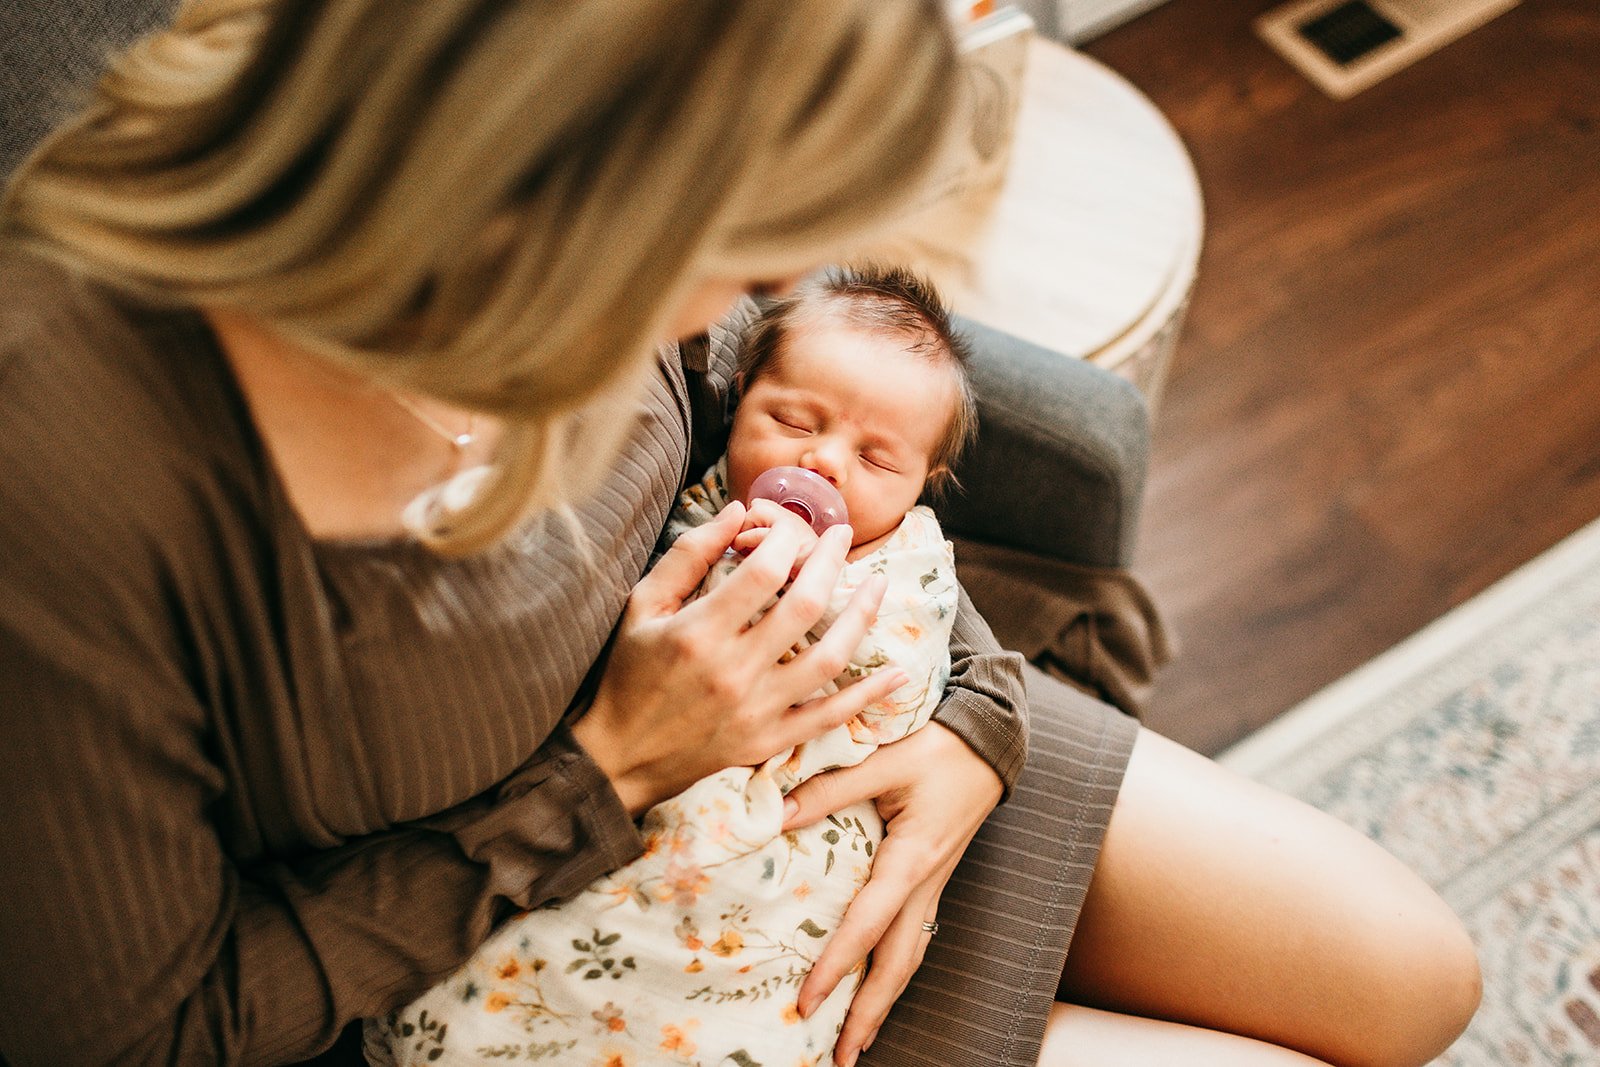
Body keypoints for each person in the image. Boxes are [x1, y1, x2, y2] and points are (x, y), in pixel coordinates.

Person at [0, 2, 1480, 1066]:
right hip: (568, 963)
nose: (750, 300)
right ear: (538, 180)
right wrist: (613, 768)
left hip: (841, 744)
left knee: (1418, 977)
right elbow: (154, 1027)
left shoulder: (595, 276)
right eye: (730, 235)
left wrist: (971, 723)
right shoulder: (69, 492)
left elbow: (800, 457)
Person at [371, 265, 979, 1065]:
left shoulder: (909, 561)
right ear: (737, 398)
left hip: (796, 842)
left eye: (877, 461)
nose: (825, 463)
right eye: (794, 420)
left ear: (926, 485)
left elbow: (900, 679)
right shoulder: (695, 491)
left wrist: (977, 737)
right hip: (617, 812)